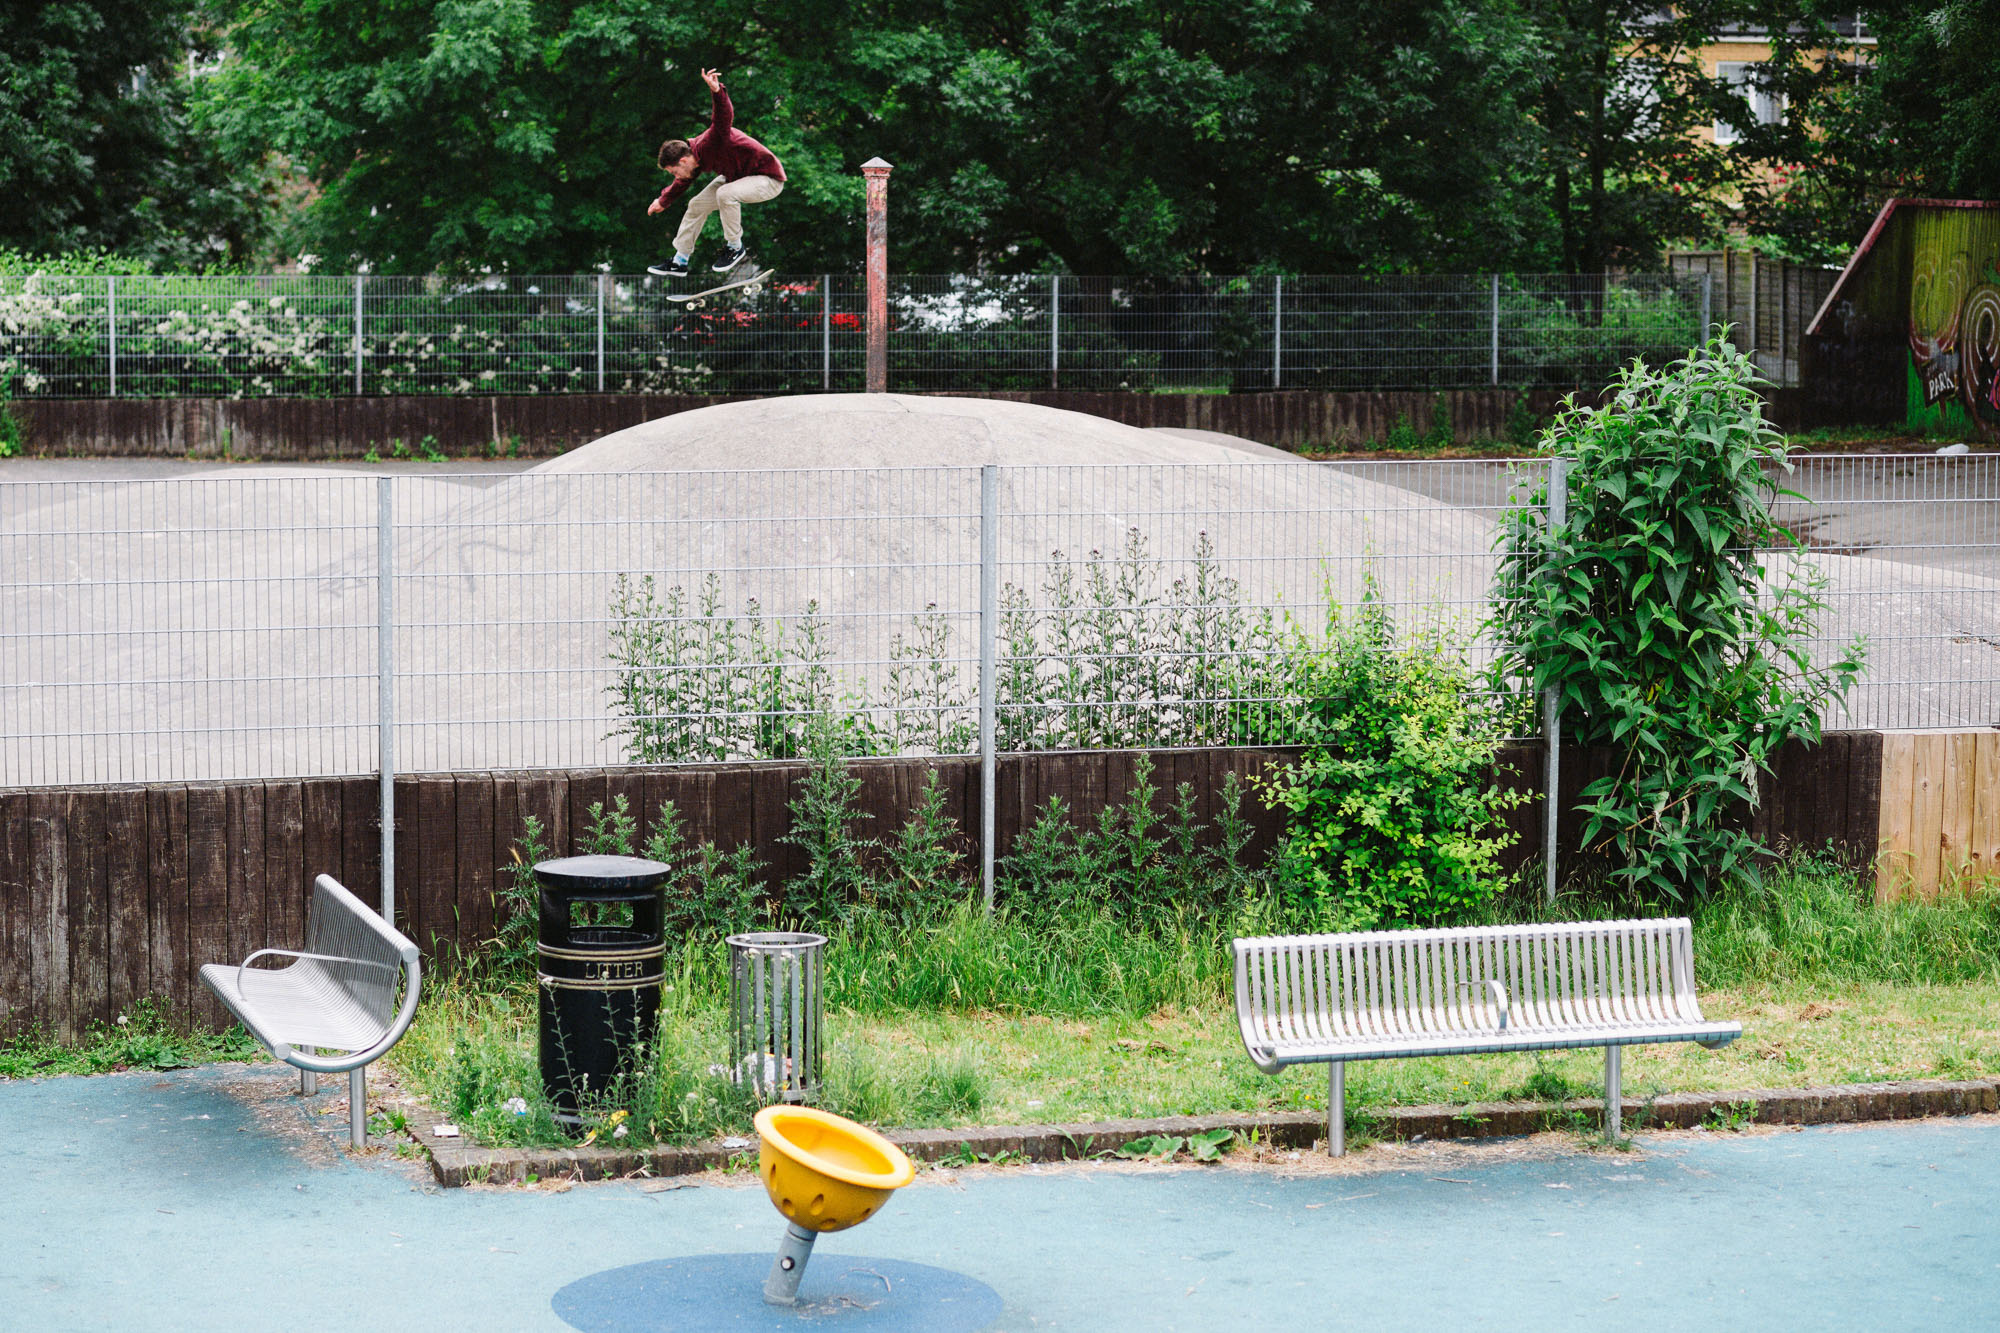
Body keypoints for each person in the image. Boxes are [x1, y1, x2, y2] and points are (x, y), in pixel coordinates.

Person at [646, 68, 786, 279]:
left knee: (725, 194)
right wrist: (663, 201)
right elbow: (682, 183)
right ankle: (679, 261)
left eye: (675, 171)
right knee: (696, 204)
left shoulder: (710, 141)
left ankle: (735, 246)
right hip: (739, 178)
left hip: (768, 179)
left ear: (683, 161)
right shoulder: (694, 161)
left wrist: (717, 91)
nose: (677, 176)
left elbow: (723, 116)